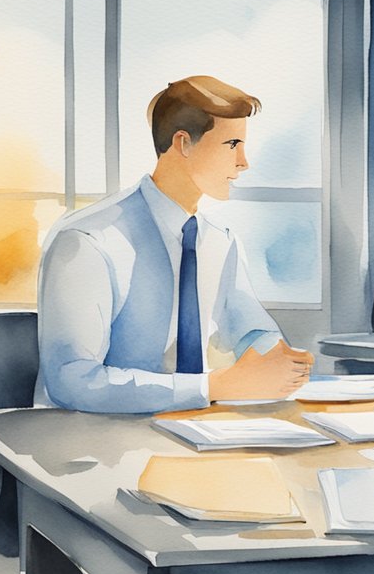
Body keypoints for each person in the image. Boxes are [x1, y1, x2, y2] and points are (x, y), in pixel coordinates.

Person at [35, 75, 313, 413]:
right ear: (183, 143)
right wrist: (214, 386)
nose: (244, 162)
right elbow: (73, 381)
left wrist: (279, 359)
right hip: (88, 440)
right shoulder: (88, 241)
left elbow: (249, 328)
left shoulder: (218, 240)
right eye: (232, 145)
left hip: (189, 430)